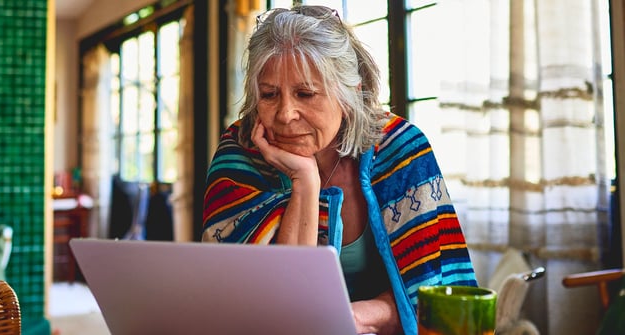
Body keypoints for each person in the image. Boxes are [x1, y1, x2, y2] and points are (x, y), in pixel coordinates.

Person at [202, 5, 477, 335]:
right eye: (270, 94)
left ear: (350, 94)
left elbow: (436, 291)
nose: (285, 113)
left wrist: (357, 315)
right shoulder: (240, 154)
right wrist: (304, 181)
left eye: (305, 93)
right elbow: (268, 306)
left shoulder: (402, 150)